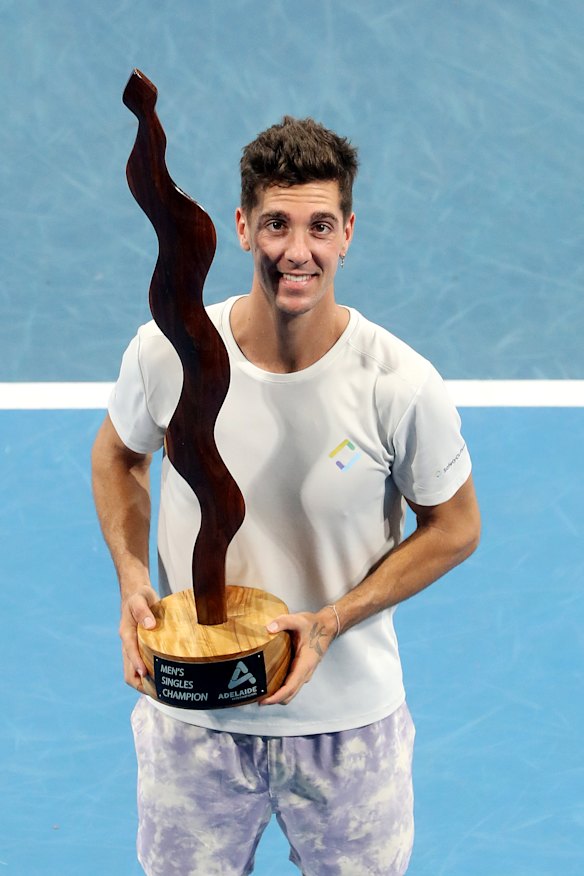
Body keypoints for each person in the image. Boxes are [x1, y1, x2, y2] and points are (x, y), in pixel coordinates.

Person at [92, 116, 480, 876]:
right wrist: (133, 581)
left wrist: (334, 620)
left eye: (318, 226)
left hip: (349, 730)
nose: (296, 251)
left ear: (347, 233)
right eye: (276, 224)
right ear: (241, 227)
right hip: (193, 718)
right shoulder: (163, 351)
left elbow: (455, 527)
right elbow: (117, 456)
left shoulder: (398, 383)